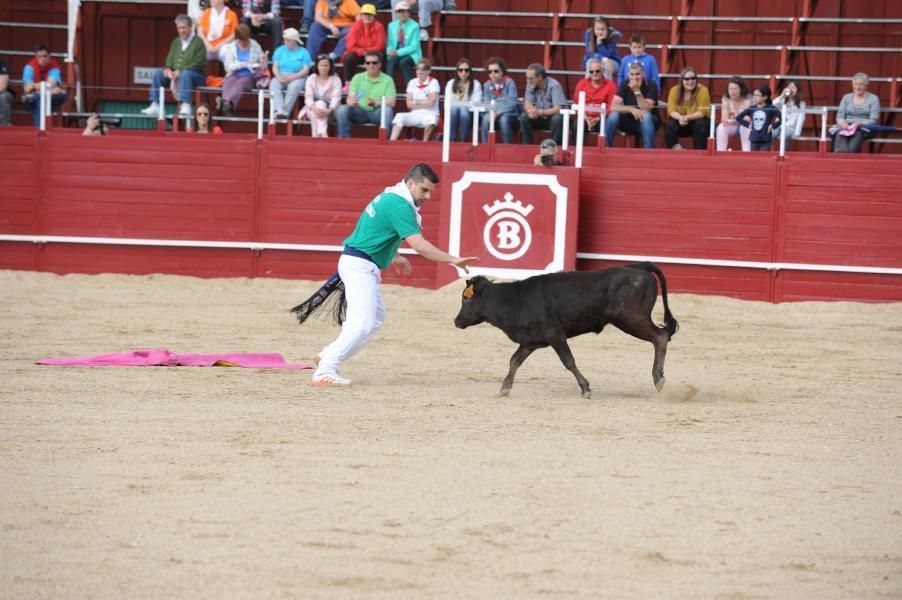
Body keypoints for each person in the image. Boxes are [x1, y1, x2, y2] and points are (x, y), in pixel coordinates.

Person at [310, 163, 478, 386]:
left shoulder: (391, 195)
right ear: (410, 183)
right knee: (362, 322)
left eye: (430, 192)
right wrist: (453, 260)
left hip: (361, 263)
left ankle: (328, 354)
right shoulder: (399, 205)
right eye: (424, 190)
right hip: (360, 266)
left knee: (374, 318)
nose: (427, 196)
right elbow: (419, 245)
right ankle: (326, 369)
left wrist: (394, 255)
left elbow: (376, 229)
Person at [141, 15, 207, 118]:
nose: (181, 30)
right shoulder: (176, 42)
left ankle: (186, 106)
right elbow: (169, 60)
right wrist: (168, 70)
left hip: (196, 76)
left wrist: (179, 72)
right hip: (177, 74)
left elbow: (198, 63)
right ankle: (156, 105)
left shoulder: (198, 42)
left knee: (185, 74)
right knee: (158, 73)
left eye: (184, 27)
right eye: (179, 28)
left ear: (190, 27)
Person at [336, 50, 396, 137]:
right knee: (342, 109)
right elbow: (350, 98)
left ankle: (384, 141)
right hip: (359, 111)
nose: (371, 65)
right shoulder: (357, 77)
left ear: (380, 64)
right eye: (368, 63)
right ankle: (344, 140)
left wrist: (376, 103)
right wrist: (352, 102)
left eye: (374, 63)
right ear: (365, 65)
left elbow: (392, 102)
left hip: (377, 112)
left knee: (388, 110)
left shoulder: (388, 80)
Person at [604, 61, 658, 148]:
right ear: (628, 74)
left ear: (643, 74)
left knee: (646, 116)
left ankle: (649, 152)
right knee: (613, 115)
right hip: (628, 121)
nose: (634, 77)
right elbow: (613, 107)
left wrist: (636, 90)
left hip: (648, 123)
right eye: (632, 74)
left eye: (637, 74)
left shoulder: (651, 85)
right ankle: (606, 148)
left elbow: (646, 109)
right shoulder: (625, 84)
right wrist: (631, 109)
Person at [220, 24, 265, 115]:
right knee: (228, 82)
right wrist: (242, 65)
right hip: (234, 73)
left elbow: (262, 63)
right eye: (242, 40)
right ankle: (229, 106)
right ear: (237, 39)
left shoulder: (255, 45)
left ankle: (226, 102)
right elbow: (227, 66)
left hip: (250, 76)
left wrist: (263, 61)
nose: (244, 42)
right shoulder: (232, 47)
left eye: (246, 39)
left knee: (240, 84)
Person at [390, 58, 439, 141]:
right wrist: (424, 102)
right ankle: (392, 141)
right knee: (399, 116)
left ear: (428, 71)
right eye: (418, 68)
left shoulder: (434, 82)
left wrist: (415, 102)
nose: (420, 71)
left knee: (432, 120)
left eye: (423, 69)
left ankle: (424, 144)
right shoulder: (412, 82)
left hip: (430, 113)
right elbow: (408, 104)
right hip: (414, 114)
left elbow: (431, 104)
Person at [519, 63, 567, 146]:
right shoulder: (530, 84)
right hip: (538, 117)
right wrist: (530, 111)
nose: (528, 81)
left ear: (540, 77)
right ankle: (526, 147)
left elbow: (558, 109)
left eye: (531, 78)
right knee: (524, 117)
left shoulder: (554, 85)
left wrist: (540, 112)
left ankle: (554, 148)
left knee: (557, 119)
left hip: (552, 118)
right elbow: (527, 104)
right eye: (527, 78)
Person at [270, 27, 313, 118]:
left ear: (294, 41)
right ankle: (279, 109)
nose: (285, 42)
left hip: (298, 76)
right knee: (274, 84)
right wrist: (279, 76)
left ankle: (285, 112)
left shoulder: (304, 52)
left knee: (294, 87)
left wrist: (292, 77)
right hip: (281, 74)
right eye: (285, 40)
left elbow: (305, 70)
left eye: (288, 40)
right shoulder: (280, 50)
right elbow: (275, 66)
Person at [21, 43, 67, 127]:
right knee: (40, 99)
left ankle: (39, 131)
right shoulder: (29, 67)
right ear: (36, 56)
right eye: (39, 56)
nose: (42, 59)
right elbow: (27, 88)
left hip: (51, 98)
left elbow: (50, 84)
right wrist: (49, 89)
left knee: (42, 98)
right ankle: (42, 130)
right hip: (44, 95)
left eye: (45, 56)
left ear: (50, 56)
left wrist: (34, 87)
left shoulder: (54, 67)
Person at [664, 66, 711, 150]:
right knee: (670, 124)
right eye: (687, 79)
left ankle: (700, 153)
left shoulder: (703, 90)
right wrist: (680, 118)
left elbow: (702, 112)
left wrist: (687, 117)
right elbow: (671, 110)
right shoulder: (674, 90)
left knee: (700, 124)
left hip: (698, 121)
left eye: (693, 78)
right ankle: (673, 150)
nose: (690, 81)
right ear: (681, 80)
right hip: (681, 121)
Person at [832, 72, 879, 154]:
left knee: (852, 147)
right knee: (840, 133)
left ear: (866, 86)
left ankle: (850, 158)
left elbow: (873, 120)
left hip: (863, 127)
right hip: (846, 125)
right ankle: (840, 156)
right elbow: (839, 116)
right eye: (855, 84)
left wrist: (859, 123)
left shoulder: (873, 99)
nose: (858, 87)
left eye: (861, 84)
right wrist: (842, 122)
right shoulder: (846, 97)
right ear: (852, 85)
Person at [341, 3, 387, 85]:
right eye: (365, 14)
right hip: (359, 54)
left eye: (370, 14)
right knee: (348, 58)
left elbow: (380, 45)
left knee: (381, 57)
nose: (367, 16)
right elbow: (350, 45)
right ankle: (348, 83)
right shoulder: (355, 26)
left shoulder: (379, 26)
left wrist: (368, 52)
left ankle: (380, 82)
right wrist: (362, 52)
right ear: (361, 15)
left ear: (374, 16)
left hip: (374, 53)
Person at [300, 53, 342, 137]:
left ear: (330, 67)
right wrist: (314, 108)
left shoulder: (336, 79)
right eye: (321, 65)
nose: (323, 68)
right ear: (317, 66)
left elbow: (336, 98)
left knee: (320, 105)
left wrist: (329, 110)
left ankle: (315, 136)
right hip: (312, 108)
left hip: (331, 111)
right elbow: (308, 97)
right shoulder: (311, 78)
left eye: (326, 65)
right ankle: (323, 133)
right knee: (318, 105)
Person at [480, 56, 518, 144]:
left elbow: (512, 103)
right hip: (493, 113)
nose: (493, 74)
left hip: (509, 113)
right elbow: (486, 102)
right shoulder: (486, 85)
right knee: (485, 118)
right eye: (490, 72)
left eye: (496, 71)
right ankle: (485, 146)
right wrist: (491, 112)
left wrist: (497, 113)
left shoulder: (509, 82)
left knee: (504, 120)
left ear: (502, 72)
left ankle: (506, 146)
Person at [572, 58, 615, 134]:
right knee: (577, 125)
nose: (594, 73)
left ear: (603, 71)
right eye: (591, 71)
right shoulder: (581, 84)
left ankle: (606, 146)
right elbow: (576, 103)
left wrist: (598, 118)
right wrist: (585, 118)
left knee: (607, 124)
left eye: (597, 71)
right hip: (584, 117)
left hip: (602, 117)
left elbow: (611, 106)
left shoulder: (611, 85)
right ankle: (577, 146)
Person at [445, 57, 481, 142]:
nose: (463, 73)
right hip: (454, 112)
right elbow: (448, 103)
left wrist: (461, 105)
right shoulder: (451, 83)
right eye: (460, 70)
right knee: (453, 110)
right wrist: (462, 104)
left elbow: (475, 103)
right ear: (457, 71)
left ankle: (463, 139)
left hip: (471, 114)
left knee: (463, 110)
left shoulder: (476, 84)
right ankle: (451, 139)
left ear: (470, 71)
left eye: (466, 70)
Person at [386, 1, 422, 86]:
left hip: (412, 54)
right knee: (391, 60)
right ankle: (387, 87)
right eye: (399, 11)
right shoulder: (391, 25)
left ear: (408, 13)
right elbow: (389, 42)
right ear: (396, 13)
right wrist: (390, 50)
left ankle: (410, 89)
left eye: (404, 11)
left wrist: (398, 52)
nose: (402, 13)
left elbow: (414, 46)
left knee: (404, 62)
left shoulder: (415, 26)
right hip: (396, 53)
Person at [736, 85, 781, 152]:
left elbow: (783, 118)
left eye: (758, 95)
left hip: (766, 140)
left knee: (763, 159)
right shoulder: (752, 108)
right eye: (754, 95)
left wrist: (773, 125)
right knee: (754, 159)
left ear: (765, 97)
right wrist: (748, 125)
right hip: (753, 140)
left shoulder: (771, 108)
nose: (755, 97)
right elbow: (738, 117)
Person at [715, 75, 751, 152]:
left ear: (741, 89)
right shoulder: (726, 98)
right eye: (730, 89)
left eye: (735, 89)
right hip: (732, 125)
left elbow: (748, 119)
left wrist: (734, 120)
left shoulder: (748, 99)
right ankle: (720, 153)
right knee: (721, 127)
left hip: (746, 126)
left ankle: (747, 152)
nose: (732, 91)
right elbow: (724, 119)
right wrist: (734, 120)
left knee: (745, 126)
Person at [582, 16, 621, 81]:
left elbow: (608, 54)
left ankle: (608, 89)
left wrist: (600, 44)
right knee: (590, 63)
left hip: (612, 61)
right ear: (593, 29)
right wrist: (603, 58)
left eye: (603, 29)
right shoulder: (589, 34)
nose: (600, 32)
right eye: (597, 29)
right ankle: (588, 88)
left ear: (607, 29)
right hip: (596, 59)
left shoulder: (613, 35)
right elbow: (589, 53)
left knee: (604, 65)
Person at [771, 79, 806, 145]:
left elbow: (801, 118)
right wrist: (781, 96)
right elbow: (772, 106)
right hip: (778, 126)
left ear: (797, 90)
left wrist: (797, 133)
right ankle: (765, 153)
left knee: (783, 137)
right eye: (789, 87)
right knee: (769, 135)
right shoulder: (782, 100)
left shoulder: (801, 103)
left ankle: (783, 155)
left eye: (793, 88)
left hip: (790, 128)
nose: (791, 89)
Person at [0, 58, 13, 126]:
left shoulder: (1, 64)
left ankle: (3, 125)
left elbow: (2, 86)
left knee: (3, 97)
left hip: (2, 92)